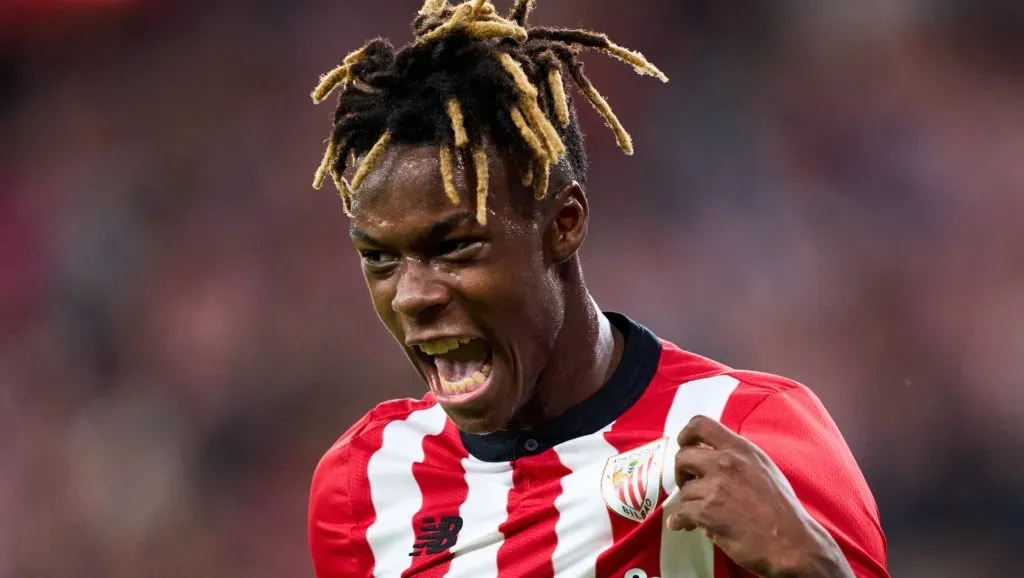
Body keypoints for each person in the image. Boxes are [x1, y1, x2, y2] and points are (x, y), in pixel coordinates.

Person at [305, 1, 889, 577]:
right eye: (378, 258)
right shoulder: (363, 487)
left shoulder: (747, 430)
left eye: (455, 247)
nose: (411, 295)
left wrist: (812, 567)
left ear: (564, 225)